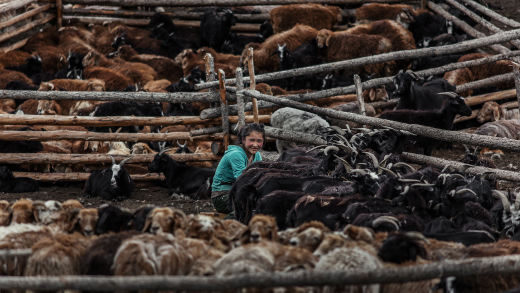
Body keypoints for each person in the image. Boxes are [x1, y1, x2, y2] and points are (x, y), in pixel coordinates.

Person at [211, 123, 265, 219]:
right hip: (222, 196)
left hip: (238, 194)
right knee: (246, 208)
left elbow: (258, 177)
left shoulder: (256, 156)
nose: (255, 144)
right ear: (243, 139)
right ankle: (223, 227)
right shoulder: (236, 155)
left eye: (259, 141)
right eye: (251, 140)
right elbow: (243, 181)